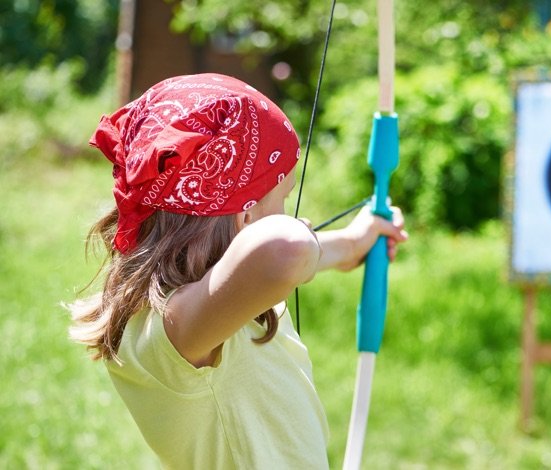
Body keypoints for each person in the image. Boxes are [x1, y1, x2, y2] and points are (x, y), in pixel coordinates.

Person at [68, 73, 408, 468]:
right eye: (282, 198)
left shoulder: (215, 304)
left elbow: (279, 255)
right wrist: (304, 239)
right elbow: (285, 249)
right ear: (247, 218)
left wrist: (351, 244)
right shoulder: (175, 327)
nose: (291, 213)